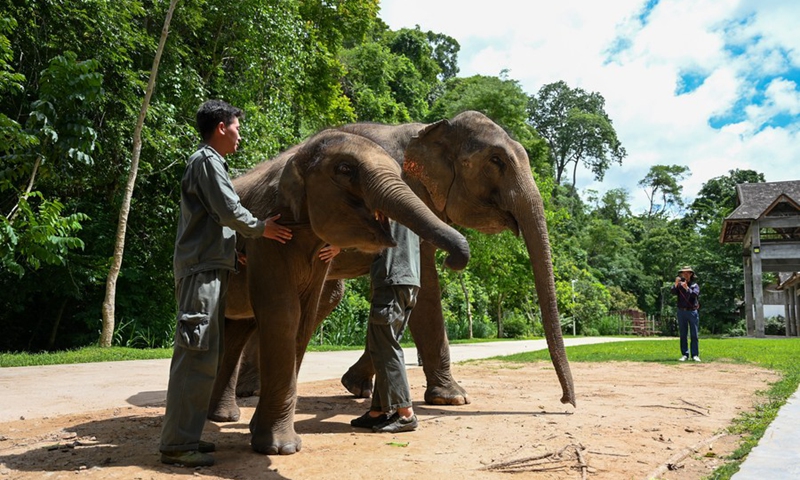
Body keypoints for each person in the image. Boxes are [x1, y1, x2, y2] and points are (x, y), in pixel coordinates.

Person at [159, 99, 292, 467]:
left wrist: (233, 254)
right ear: (221, 128)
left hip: (212, 267)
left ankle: (186, 436)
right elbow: (228, 211)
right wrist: (263, 229)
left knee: (204, 357)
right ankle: (176, 443)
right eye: (236, 127)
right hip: (200, 273)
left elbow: (210, 223)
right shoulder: (206, 162)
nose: (239, 134)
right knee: (195, 354)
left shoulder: (213, 163)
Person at [350, 220, 420, 433]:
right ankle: (378, 411)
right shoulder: (410, 209)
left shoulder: (386, 202)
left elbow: (365, 231)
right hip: (409, 281)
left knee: (386, 347)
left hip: (391, 280)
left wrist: (339, 245)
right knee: (381, 345)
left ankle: (406, 413)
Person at [671, 266, 700, 362]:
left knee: (694, 334)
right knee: (683, 334)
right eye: (684, 273)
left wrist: (687, 288)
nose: (685, 275)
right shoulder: (679, 285)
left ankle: (695, 355)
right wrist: (676, 284)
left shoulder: (695, 285)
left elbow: (694, 295)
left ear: (691, 274)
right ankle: (685, 354)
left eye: (687, 273)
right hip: (681, 311)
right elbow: (673, 292)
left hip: (692, 311)